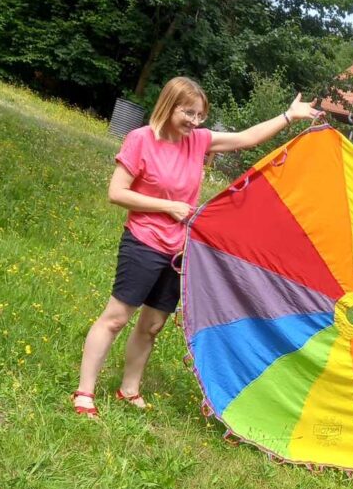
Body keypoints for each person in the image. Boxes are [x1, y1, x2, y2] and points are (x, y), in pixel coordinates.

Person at [72, 76, 321, 417]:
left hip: (178, 250)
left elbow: (246, 139)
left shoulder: (199, 141)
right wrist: (168, 207)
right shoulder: (140, 140)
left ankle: (128, 389)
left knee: (153, 325)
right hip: (144, 242)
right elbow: (116, 192)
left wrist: (289, 116)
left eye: (200, 115)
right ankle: (84, 392)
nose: (194, 121)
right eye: (188, 113)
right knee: (116, 319)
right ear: (169, 105)